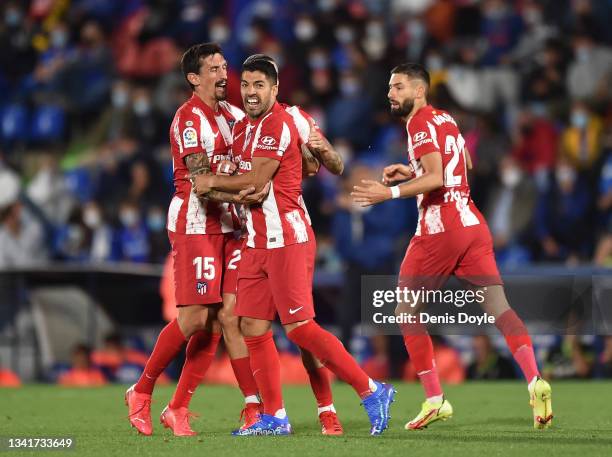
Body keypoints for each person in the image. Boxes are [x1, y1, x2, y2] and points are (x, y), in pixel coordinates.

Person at [194, 54, 395, 437]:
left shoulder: (280, 123)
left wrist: (209, 184)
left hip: (287, 238)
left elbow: (259, 178)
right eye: (247, 85)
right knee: (252, 325)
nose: (251, 93)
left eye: (259, 86)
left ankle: (371, 390)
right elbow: (252, 189)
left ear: (274, 89)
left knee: (301, 329)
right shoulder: (241, 132)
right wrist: (236, 187)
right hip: (255, 239)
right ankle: (276, 417)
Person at [351, 63, 553, 430]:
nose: (390, 94)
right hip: (472, 222)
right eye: (390, 88)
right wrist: (411, 169)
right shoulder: (445, 119)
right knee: (499, 308)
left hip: (440, 226)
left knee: (405, 311)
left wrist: (390, 192)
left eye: (398, 87)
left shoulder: (417, 123)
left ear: (419, 90)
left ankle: (434, 398)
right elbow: (464, 162)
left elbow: (436, 176)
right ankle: (535, 379)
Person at [125, 43, 265, 437]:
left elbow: (251, 165)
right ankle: (142, 390)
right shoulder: (188, 121)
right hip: (196, 225)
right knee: (194, 319)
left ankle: (230, 408)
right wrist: (245, 192)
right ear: (194, 77)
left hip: (232, 229)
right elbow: (202, 184)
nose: (224, 74)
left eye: (224, 66)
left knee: (229, 319)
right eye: (214, 69)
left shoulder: (235, 116)